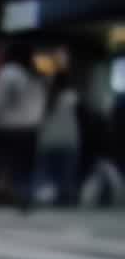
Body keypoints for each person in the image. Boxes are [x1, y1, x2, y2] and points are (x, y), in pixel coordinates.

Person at [0, 44, 46, 214]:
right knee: (24, 168)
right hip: (29, 128)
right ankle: (24, 199)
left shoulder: (9, 73)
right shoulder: (34, 75)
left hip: (5, 127)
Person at [35, 71, 81, 207]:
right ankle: (66, 197)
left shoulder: (45, 97)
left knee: (47, 173)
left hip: (47, 140)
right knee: (66, 174)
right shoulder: (71, 97)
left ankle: (47, 196)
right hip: (68, 140)